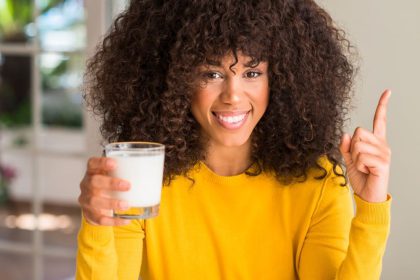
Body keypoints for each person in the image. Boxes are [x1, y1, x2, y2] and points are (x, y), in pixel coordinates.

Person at [76, 0, 392, 279]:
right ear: (174, 79)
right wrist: (96, 221)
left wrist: (371, 211)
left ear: (281, 80)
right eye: (211, 73)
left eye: (252, 73)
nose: (233, 95)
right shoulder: (142, 179)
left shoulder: (318, 182)